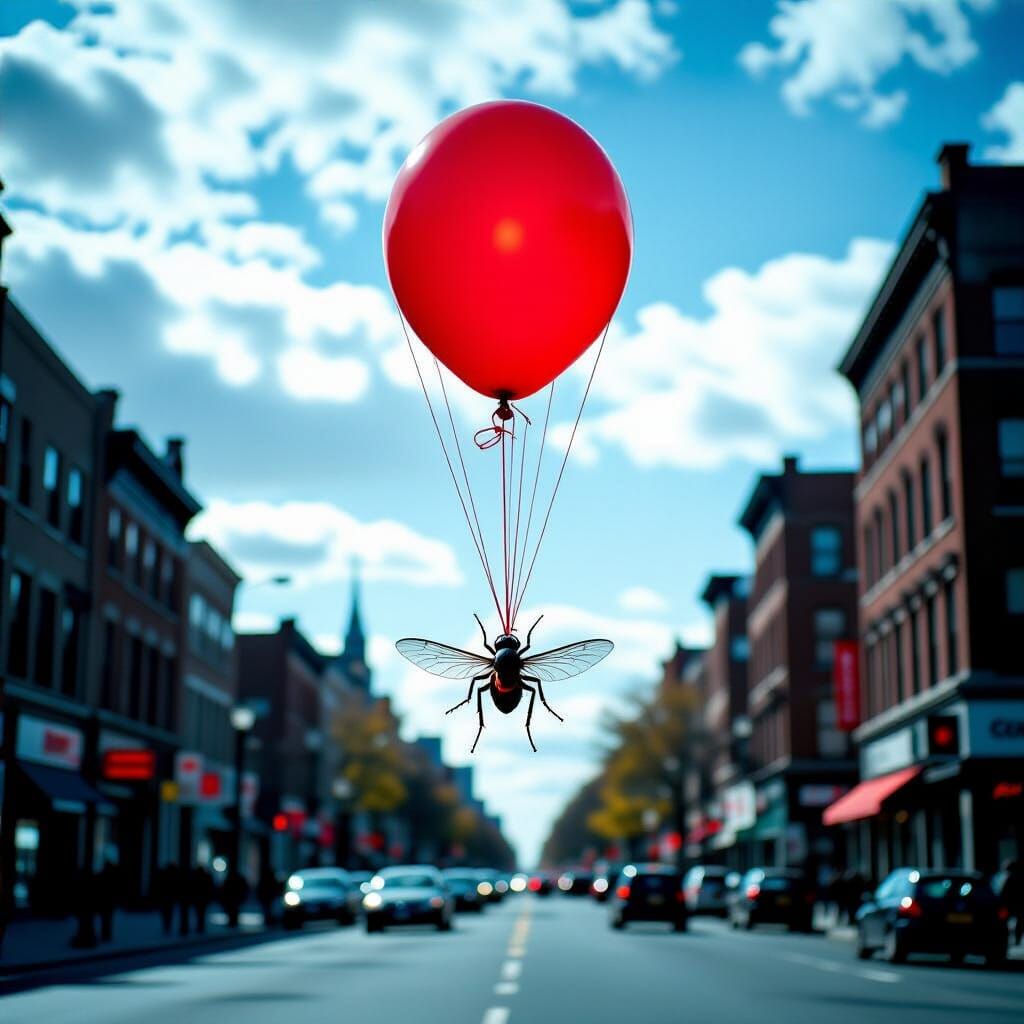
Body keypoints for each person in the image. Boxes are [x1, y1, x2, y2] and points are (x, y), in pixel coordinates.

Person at [95, 858, 120, 942]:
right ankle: (106, 935)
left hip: (105, 902)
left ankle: (105, 935)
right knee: (107, 920)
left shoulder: (102, 875)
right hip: (108, 902)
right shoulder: (112, 876)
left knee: (105, 919)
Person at [1001, 859, 1024, 946]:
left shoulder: (1011, 879)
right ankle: (1015, 940)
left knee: (1007, 922)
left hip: (1012, 905)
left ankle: (1012, 940)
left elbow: (1004, 893)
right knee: (1019, 923)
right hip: (1015, 905)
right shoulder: (1014, 878)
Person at [154, 863, 180, 936]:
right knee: (168, 913)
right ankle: (167, 927)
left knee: (165, 913)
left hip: (165, 898)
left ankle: (166, 926)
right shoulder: (173, 877)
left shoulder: (164, 876)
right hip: (168, 898)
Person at [190, 865, 215, 934]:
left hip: (199, 898)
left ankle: (200, 926)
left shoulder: (195, 877)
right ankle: (200, 926)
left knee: (199, 913)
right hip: (203, 898)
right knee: (201, 913)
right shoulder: (206, 876)